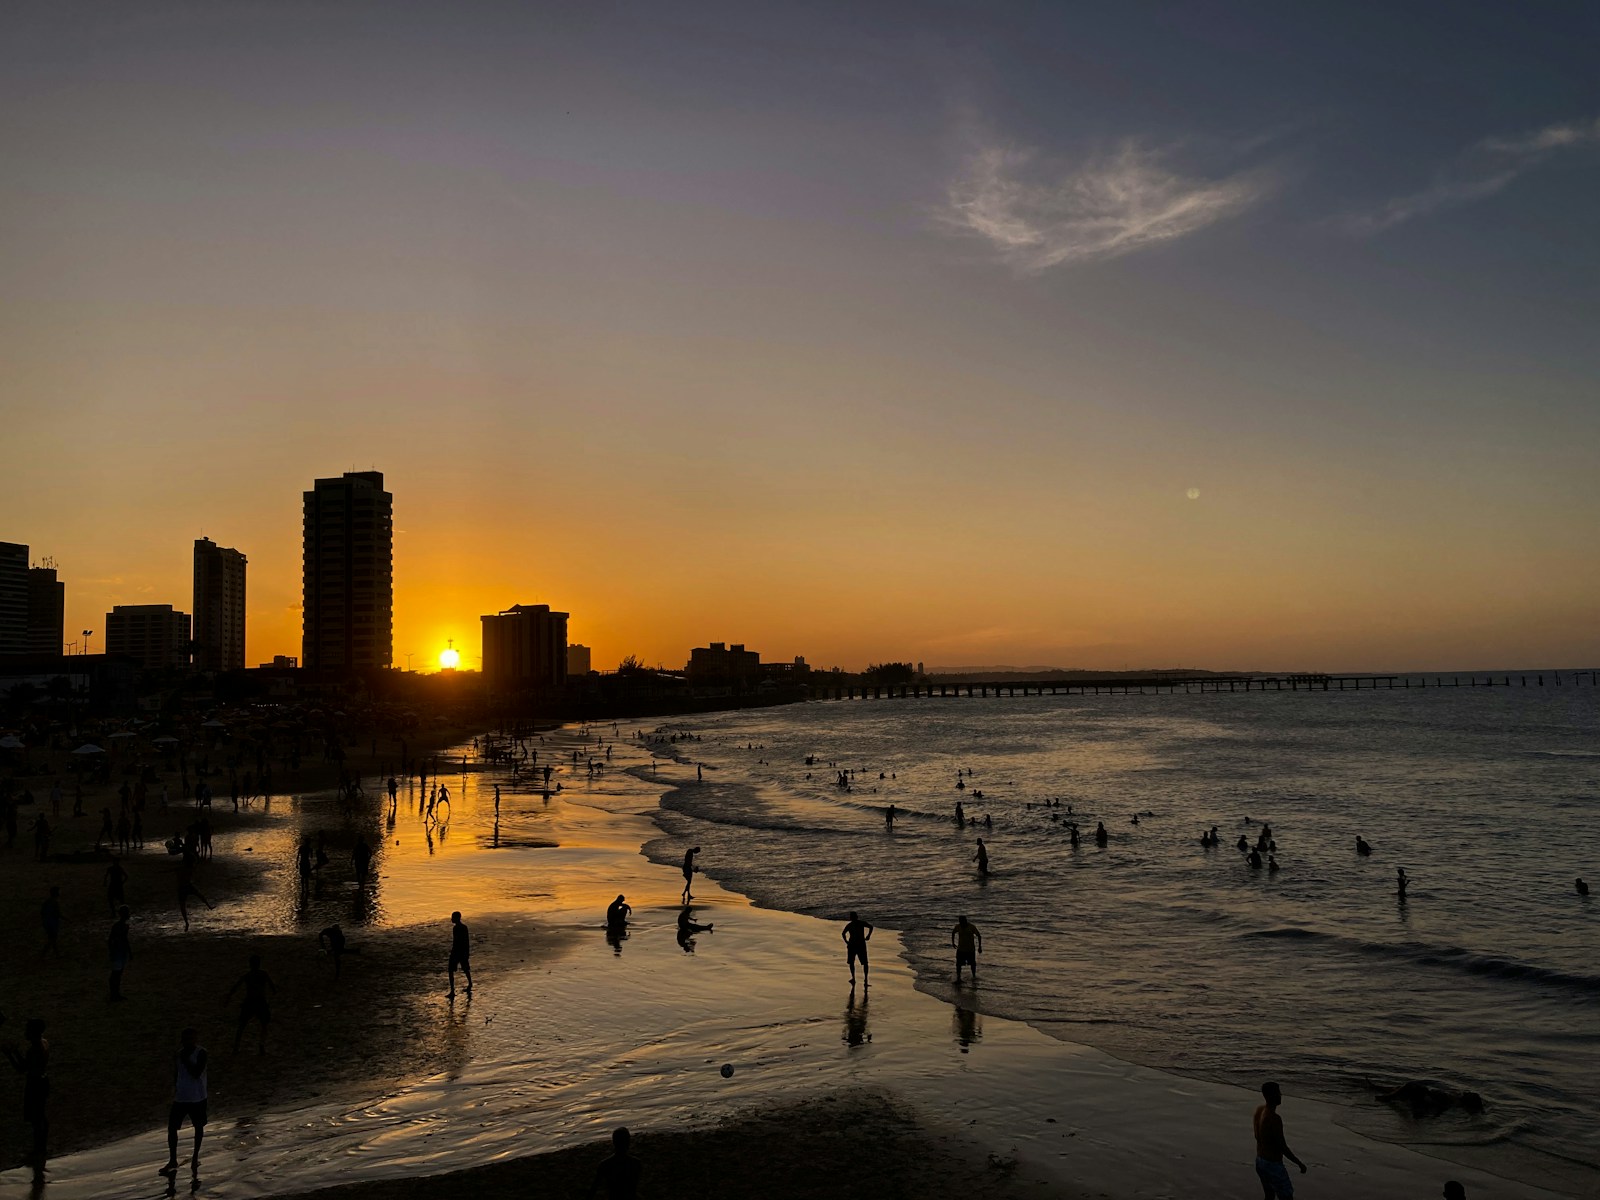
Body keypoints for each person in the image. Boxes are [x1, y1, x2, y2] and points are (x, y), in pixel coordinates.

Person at [161, 1027, 208, 1182]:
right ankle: (173, 1159)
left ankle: (195, 1158)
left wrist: (186, 1059)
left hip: (197, 1097)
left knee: (198, 1127)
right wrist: (174, 1087)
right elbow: (177, 1073)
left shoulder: (201, 1053)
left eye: (190, 1039)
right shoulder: (179, 1054)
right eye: (185, 1040)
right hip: (181, 1097)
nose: (187, 1043)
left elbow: (196, 1073)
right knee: (172, 1128)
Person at [5, 1017, 49, 1182]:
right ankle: (41, 1148)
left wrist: (10, 1054)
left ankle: (38, 1149)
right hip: (44, 1081)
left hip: (35, 1083)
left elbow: (21, 1068)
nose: (25, 1032)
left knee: (36, 1118)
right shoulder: (44, 1043)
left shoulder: (34, 1049)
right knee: (41, 1115)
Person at [1252, 1081, 1307, 1198]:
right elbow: (1282, 1147)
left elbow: (1257, 1136)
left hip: (1260, 1161)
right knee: (1286, 1196)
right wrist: (1299, 1163)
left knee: (1269, 1195)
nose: (1281, 1095)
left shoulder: (1259, 1111)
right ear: (1271, 1095)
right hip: (1273, 1164)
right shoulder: (1274, 1119)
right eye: (1278, 1093)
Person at [227, 954, 275, 1053]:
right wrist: (269, 1001)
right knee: (264, 1025)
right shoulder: (264, 974)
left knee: (242, 1025)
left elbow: (235, 987)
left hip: (250, 1001)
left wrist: (229, 997)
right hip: (261, 1001)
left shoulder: (247, 976)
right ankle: (261, 1045)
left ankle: (236, 1047)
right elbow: (273, 989)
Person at [587, 1126, 642, 1199]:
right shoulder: (636, 1163)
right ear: (628, 1142)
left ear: (613, 1142)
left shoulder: (604, 1164)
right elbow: (633, 1187)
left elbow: (594, 1189)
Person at [842, 912, 873, 987]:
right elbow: (871, 927)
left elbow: (843, 934)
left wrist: (846, 941)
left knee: (852, 962)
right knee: (864, 963)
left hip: (852, 944)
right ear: (857, 917)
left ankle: (854, 978)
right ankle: (865, 979)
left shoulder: (850, 925)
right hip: (860, 944)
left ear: (851, 918)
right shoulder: (861, 923)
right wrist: (868, 936)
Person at [108, 905, 132, 1001]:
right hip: (119, 951)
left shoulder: (120, 926)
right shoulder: (121, 926)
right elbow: (115, 939)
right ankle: (114, 994)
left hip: (120, 951)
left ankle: (115, 993)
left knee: (117, 974)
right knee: (116, 974)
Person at [448, 911, 473, 998]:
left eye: (453, 917)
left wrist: (454, 952)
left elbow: (458, 942)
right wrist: (467, 952)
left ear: (457, 918)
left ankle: (452, 991)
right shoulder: (463, 927)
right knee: (465, 969)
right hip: (462, 951)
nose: (451, 919)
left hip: (458, 951)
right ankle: (470, 984)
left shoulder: (458, 928)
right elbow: (467, 941)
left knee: (451, 970)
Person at [951, 914, 982, 983]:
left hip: (970, 949)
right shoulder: (958, 926)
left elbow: (979, 935)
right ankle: (958, 978)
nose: (961, 923)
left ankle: (974, 977)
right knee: (958, 964)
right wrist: (953, 943)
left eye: (962, 921)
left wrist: (979, 946)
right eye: (960, 922)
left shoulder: (971, 927)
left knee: (972, 964)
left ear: (965, 921)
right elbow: (953, 932)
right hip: (961, 949)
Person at [40, 886, 62, 956]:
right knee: (52, 939)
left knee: (52, 939)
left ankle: (57, 954)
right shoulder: (55, 902)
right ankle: (43, 954)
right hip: (52, 923)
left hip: (46, 922)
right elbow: (58, 913)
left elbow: (42, 912)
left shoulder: (47, 901)